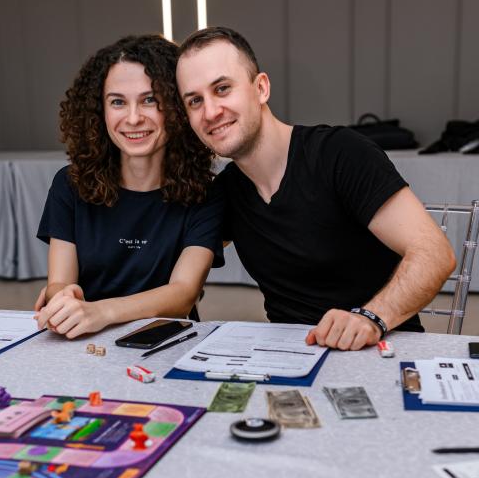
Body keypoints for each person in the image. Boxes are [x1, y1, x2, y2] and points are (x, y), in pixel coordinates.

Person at [176, 26, 456, 350]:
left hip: (378, 351)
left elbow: (434, 254)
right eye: (195, 101)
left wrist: (371, 318)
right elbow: (174, 267)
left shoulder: (339, 154)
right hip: (292, 359)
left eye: (223, 89)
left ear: (261, 88)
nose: (211, 112)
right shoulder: (226, 192)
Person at [35, 34, 223, 339]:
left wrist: (101, 312)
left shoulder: (205, 193)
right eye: (118, 102)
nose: (133, 118)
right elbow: (58, 282)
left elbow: (183, 294)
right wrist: (62, 297)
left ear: (176, 106)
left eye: (150, 100)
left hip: (164, 341)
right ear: (99, 111)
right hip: (83, 338)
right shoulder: (69, 184)